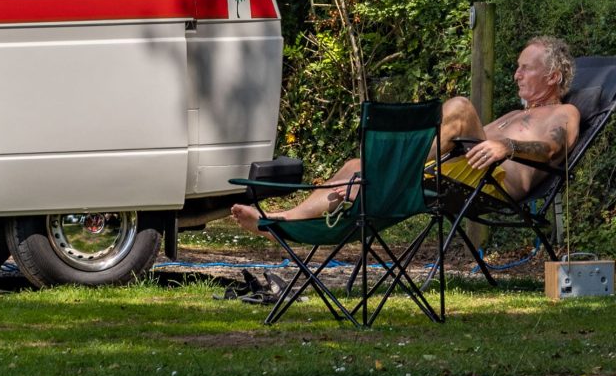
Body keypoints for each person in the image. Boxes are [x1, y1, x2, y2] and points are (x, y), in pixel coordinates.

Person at [231, 36, 581, 231]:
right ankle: (281, 221)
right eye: (517, 67)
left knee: (459, 107)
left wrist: (507, 145)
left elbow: (552, 148)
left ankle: (393, 163)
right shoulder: (513, 113)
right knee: (357, 167)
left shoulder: (565, 112)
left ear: (552, 76)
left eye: (525, 68)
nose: (517, 75)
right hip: (466, 172)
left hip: (496, 184)